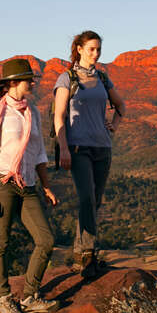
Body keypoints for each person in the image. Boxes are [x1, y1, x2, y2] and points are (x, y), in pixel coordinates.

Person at [0, 58, 60, 313]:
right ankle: (3, 298)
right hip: (3, 184)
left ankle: (30, 296)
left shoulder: (32, 112)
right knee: (1, 243)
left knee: (46, 240)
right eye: (28, 80)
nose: (32, 83)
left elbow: (39, 153)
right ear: (13, 83)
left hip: (28, 185)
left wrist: (46, 186)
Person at [53, 30, 127, 276]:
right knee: (86, 197)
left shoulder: (103, 79)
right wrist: (63, 147)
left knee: (95, 201)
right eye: (92, 49)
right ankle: (88, 254)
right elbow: (59, 115)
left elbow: (121, 105)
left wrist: (114, 125)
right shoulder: (67, 78)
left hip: (102, 147)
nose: (96, 54)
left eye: (98, 49)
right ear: (80, 49)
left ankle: (80, 253)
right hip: (77, 147)